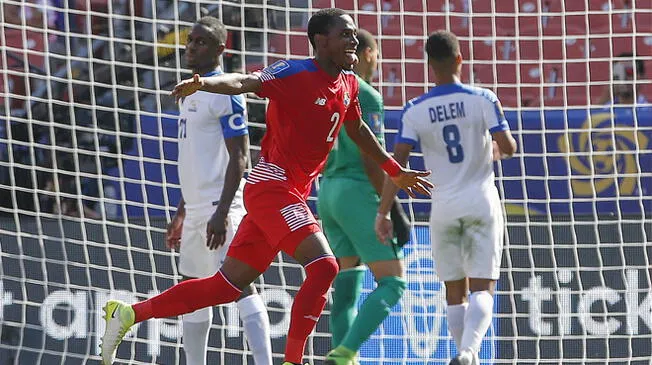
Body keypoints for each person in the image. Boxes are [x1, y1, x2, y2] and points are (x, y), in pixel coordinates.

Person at [99, 8, 432, 365]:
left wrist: (394, 170)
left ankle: (129, 313)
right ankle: (293, 360)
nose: (353, 40)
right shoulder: (294, 72)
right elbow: (243, 82)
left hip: (288, 192)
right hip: (272, 187)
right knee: (324, 267)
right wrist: (205, 83)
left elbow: (357, 130)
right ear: (321, 42)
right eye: (345, 34)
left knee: (226, 287)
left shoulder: (349, 83)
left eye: (354, 34)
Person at [375, 30, 517, 365]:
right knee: (483, 288)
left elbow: (397, 164)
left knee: (455, 290)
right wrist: (492, 150)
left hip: (444, 206)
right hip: (481, 200)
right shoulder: (483, 98)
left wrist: (382, 212)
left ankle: (463, 355)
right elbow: (509, 147)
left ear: (429, 65)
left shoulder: (415, 110)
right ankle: (469, 352)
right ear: (459, 59)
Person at [161, 17, 272, 365]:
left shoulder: (226, 94)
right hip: (195, 210)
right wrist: (181, 212)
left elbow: (241, 157)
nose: (191, 46)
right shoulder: (188, 93)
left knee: (239, 286)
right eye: (191, 40)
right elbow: (194, 157)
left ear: (221, 50)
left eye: (202, 42)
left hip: (220, 208)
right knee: (192, 289)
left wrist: (222, 212)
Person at [317, 29, 410, 365]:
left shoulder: (327, 91)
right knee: (393, 280)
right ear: (367, 53)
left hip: (327, 192)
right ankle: (345, 352)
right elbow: (372, 159)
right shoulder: (366, 95)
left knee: (347, 282)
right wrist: (392, 210)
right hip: (356, 189)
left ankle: (340, 357)